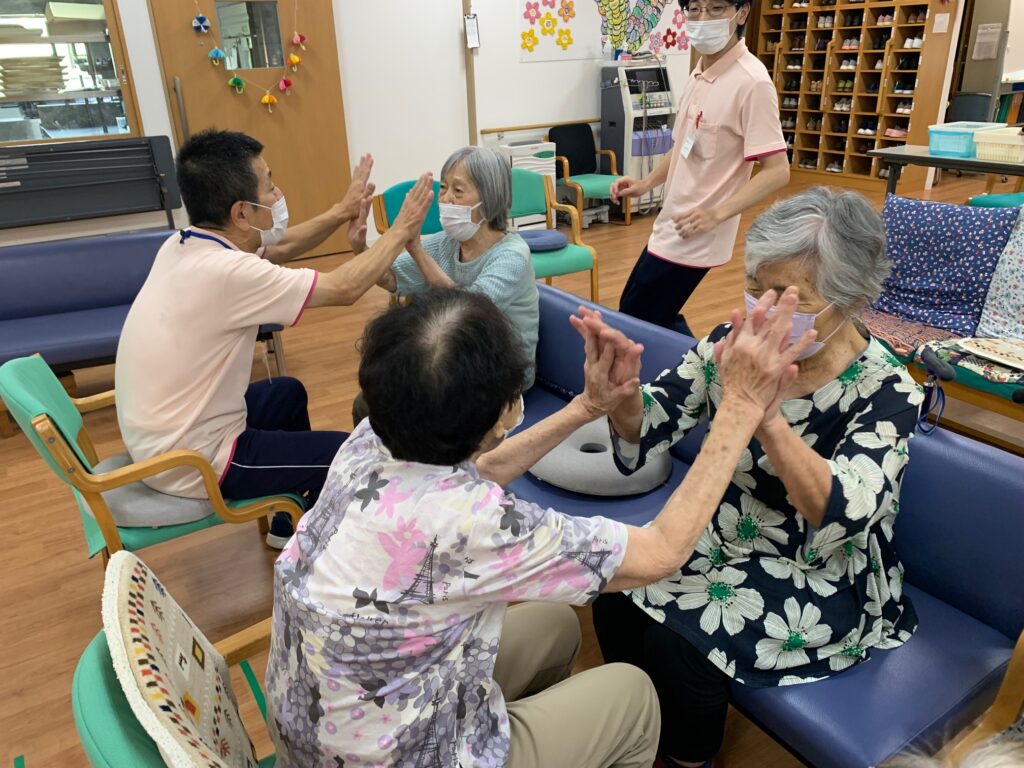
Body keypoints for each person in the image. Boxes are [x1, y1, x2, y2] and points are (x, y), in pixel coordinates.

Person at [266, 284, 815, 766]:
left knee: (557, 626)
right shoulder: (478, 523)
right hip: (402, 755)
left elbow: (478, 469)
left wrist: (587, 407)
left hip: (315, 731)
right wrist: (741, 406)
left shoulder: (369, 441)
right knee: (632, 693)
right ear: (497, 417)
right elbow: (661, 552)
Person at [587, 188, 925, 768]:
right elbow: (656, 418)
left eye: (790, 299)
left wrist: (766, 418)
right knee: (616, 594)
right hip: (725, 535)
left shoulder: (887, 391)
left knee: (681, 643)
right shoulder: (730, 342)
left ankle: (688, 759)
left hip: (819, 569)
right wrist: (619, 397)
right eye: (755, 286)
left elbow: (841, 512)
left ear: (851, 300)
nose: (763, 312)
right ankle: (641, 734)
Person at [115, 129, 433, 547]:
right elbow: (344, 288)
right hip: (194, 460)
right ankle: (319, 545)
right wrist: (401, 229)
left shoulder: (186, 244)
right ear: (241, 214)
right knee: (345, 456)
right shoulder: (228, 273)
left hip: (163, 434)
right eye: (268, 185)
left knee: (286, 394)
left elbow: (284, 246)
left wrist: (341, 211)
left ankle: (289, 522)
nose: (278, 193)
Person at [611, 0, 790, 336]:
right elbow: (683, 147)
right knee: (648, 315)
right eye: (694, 9)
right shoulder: (699, 73)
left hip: (698, 232)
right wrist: (645, 184)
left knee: (637, 317)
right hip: (670, 221)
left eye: (716, 8)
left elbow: (778, 171)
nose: (702, 18)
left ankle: (698, 362)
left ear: (742, 13)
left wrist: (715, 214)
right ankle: (703, 360)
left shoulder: (753, 83)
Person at [349, 146, 538, 388]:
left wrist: (416, 248)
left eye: (458, 191)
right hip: (457, 358)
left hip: (504, 372)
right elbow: (390, 277)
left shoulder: (513, 255)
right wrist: (360, 248)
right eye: (444, 188)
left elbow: (469, 311)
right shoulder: (447, 242)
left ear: (490, 198)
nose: (446, 199)